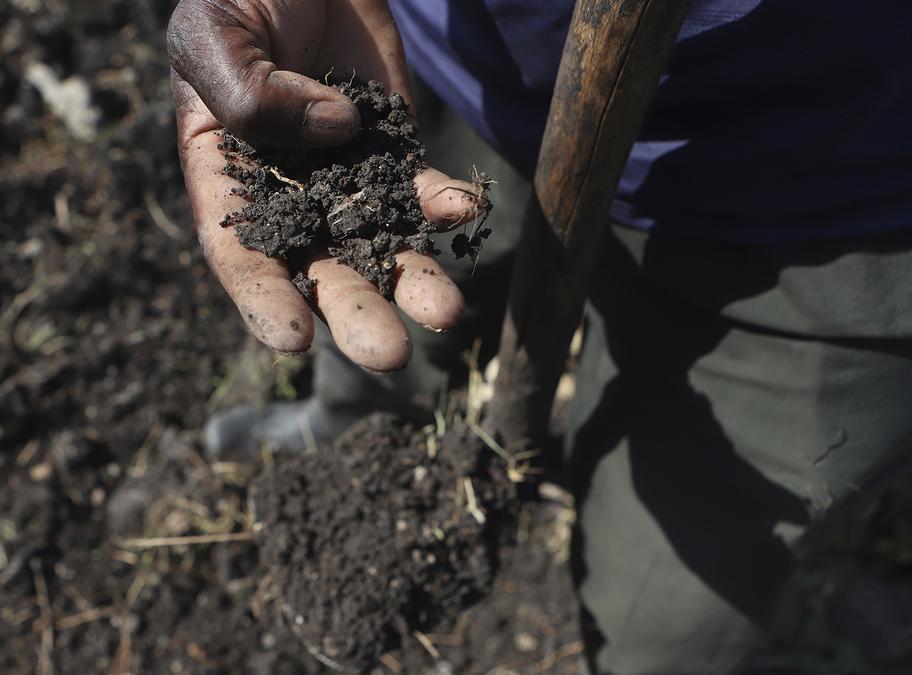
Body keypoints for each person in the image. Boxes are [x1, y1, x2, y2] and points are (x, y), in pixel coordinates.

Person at [167, 1, 912, 672]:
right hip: (453, 70)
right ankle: (350, 427)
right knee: (385, 306)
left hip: (832, 188)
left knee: (667, 607)